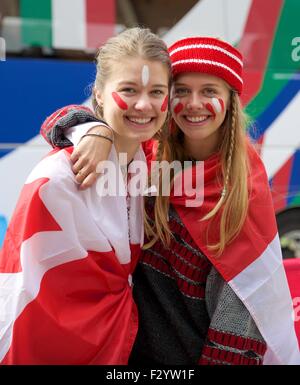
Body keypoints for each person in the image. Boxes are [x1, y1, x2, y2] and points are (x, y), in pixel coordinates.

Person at [39, 37, 300, 365]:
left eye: (209, 91)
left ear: (230, 102)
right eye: (181, 91)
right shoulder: (148, 155)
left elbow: (240, 325)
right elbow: (54, 122)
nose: (194, 103)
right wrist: (93, 131)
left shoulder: (242, 191)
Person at [0, 27, 170, 364]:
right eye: (129, 89)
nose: (143, 104)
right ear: (99, 93)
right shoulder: (57, 179)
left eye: (157, 91)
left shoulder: (149, 164)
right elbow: (20, 297)